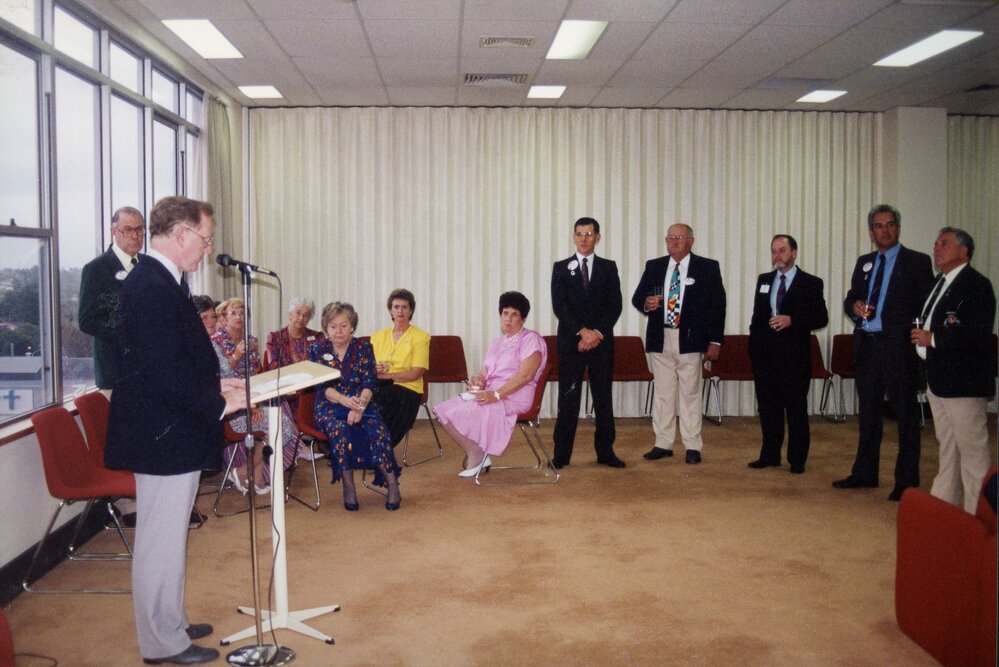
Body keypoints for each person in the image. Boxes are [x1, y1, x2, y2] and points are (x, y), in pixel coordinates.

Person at [105, 195, 246, 665]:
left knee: (171, 538)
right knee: (160, 541)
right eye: (205, 239)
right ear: (182, 233)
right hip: (162, 433)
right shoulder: (149, 285)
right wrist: (216, 401)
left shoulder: (164, 279)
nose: (208, 249)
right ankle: (162, 643)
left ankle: (172, 621)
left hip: (171, 426)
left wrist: (216, 382)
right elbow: (163, 370)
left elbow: (177, 357)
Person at [834, 204, 934, 501]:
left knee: (905, 416)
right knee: (868, 414)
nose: (885, 230)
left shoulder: (917, 261)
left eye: (890, 224)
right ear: (871, 232)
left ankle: (906, 482)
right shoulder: (865, 262)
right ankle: (865, 473)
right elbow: (852, 296)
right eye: (879, 226)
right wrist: (853, 307)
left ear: (898, 228)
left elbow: (925, 306)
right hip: (867, 346)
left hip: (899, 350)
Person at [910, 228, 996, 513]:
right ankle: (944, 510)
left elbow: (977, 334)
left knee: (973, 453)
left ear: (964, 251)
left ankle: (980, 514)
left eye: (944, 243)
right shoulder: (940, 283)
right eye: (935, 243)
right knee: (948, 448)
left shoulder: (976, 286)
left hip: (964, 383)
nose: (937, 248)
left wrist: (932, 338)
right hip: (938, 379)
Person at [631, 224, 726, 464]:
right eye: (670, 238)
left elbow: (718, 307)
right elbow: (637, 298)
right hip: (660, 337)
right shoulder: (654, 266)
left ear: (691, 241)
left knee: (690, 393)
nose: (673, 242)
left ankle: (692, 445)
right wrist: (647, 303)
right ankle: (662, 443)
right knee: (663, 394)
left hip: (691, 339)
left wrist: (715, 341)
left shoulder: (707, 267)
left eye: (679, 238)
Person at [434, 291, 547, 477]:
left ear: (523, 318)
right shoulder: (497, 342)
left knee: (461, 412)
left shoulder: (531, 339)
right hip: (493, 393)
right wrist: (477, 380)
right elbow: (484, 371)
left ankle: (477, 455)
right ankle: (476, 451)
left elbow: (526, 376)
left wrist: (496, 395)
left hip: (516, 396)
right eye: (504, 313)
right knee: (443, 411)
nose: (508, 319)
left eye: (514, 314)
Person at [747, 235, 828, 473]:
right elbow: (757, 318)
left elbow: (821, 318)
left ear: (794, 252)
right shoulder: (764, 280)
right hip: (766, 356)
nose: (777, 256)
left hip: (794, 357)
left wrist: (793, 320)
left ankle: (797, 459)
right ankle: (769, 455)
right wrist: (754, 350)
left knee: (795, 409)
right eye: (773, 251)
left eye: (782, 250)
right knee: (768, 408)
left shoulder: (811, 282)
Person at [309, 302, 402, 511]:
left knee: (377, 431)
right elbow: (322, 387)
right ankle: (348, 486)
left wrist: (359, 407)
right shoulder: (317, 349)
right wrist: (345, 401)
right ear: (326, 327)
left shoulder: (363, 347)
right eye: (333, 326)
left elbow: (370, 383)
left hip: (362, 401)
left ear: (352, 326)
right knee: (341, 431)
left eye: (343, 325)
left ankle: (392, 483)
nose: (338, 331)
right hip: (329, 404)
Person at [551, 217, 624, 469]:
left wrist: (596, 334)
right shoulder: (561, 268)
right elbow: (559, 306)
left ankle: (606, 452)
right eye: (579, 234)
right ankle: (561, 455)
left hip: (601, 343)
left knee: (603, 397)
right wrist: (582, 333)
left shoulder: (608, 267)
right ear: (574, 237)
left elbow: (615, 306)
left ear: (598, 238)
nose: (584, 239)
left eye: (589, 234)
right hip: (571, 343)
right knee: (568, 398)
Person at [211, 298, 302, 494]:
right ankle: (244, 471)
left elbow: (256, 376)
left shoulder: (250, 341)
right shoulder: (214, 344)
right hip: (231, 410)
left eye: (242, 313)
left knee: (280, 426)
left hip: (252, 402)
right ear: (223, 319)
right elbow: (222, 381)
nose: (239, 317)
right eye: (233, 313)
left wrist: (256, 404)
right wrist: (236, 354)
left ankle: (254, 474)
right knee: (282, 427)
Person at [78, 206, 145, 392]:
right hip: (115, 374)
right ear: (113, 231)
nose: (135, 235)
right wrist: (129, 331)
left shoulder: (149, 266)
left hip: (149, 371)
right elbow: (86, 321)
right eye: (128, 230)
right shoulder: (96, 270)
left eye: (139, 229)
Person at [369, 289, 430, 447]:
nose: (400, 311)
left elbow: (415, 374)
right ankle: (354, 446)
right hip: (380, 384)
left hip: (408, 388)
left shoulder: (421, 337)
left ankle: (379, 449)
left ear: (411, 310)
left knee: (380, 399)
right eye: (396, 307)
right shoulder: (377, 337)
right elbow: (368, 368)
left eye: (404, 307)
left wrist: (386, 376)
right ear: (390, 310)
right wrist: (374, 369)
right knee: (357, 396)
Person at [265, 297, 322, 370]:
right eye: (298, 313)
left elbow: (321, 365)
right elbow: (274, 367)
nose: (301, 318)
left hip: (312, 379)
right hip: (285, 380)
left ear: (309, 318)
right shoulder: (275, 338)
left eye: (306, 315)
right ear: (290, 314)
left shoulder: (317, 337)